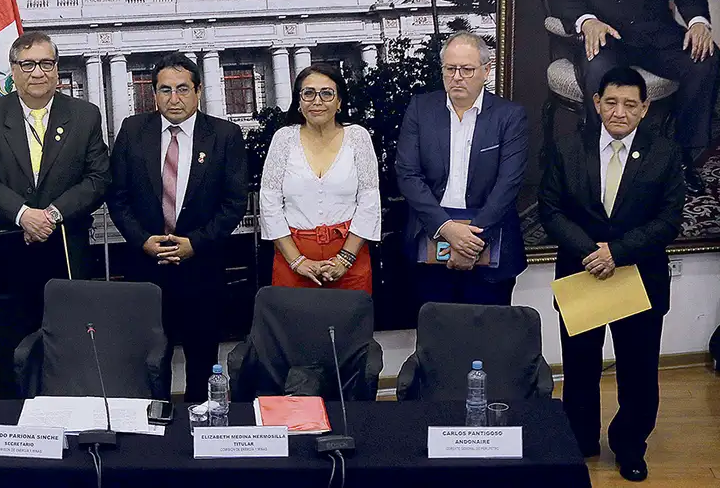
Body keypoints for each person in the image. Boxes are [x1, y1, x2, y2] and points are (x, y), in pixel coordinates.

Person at [539, 66, 684, 482]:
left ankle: (630, 447)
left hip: (638, 277)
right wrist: (592, 253)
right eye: (612, 102)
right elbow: (551, 210)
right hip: (582, 274)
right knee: (580, 367)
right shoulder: (568, 147)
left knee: (637, 370)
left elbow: (669, 220)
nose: (619, 112)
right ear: (597, 103)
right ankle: (581, 440)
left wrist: (616, 253)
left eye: (630, 104)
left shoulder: (664, 153)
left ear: (644, 109)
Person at [0, 31, 110, 398]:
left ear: (57, 70)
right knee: (12, 351)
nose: (37, 72)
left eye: (46, 64)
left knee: (70, 345)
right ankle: (14, 430)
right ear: (13, 71)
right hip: (8, 253)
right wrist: (23, 214)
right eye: (27, 64)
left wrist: (53, 214)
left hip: (66, 250)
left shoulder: (84, 115)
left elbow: (99, 177)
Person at [547, 0, 717, 193]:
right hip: (604, 35)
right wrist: (587, 21)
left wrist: (699, 21)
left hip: (657, 36)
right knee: (602, 74)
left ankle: (682, 159)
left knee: (706, 59)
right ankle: (604, 164)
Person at [107, 53, 248, 402]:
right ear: (153, 94)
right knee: (151, 361)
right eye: (165, 90)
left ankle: (200, 432)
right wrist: (143, 241)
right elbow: (117, 196)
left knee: (202, 362)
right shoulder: (132, 131)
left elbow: (233, 204)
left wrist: (193, 244)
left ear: (198, 90)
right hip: (146, 269)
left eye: (183, 89)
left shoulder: (225, 135)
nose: (174, 98)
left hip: (201, 269)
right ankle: (156, 436)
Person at [395, 32, 528, 305]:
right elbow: (408, 174)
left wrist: (469, 243)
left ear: (486, 70)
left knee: (489, 342)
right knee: (438, 341)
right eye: (450, 69)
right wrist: (447, 229)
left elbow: (508, 184)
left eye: (467, 69)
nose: (457, 76)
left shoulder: (509, 116)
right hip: (430, 244)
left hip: (492, 245)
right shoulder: (421, 109)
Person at [260, 63, 380, 292]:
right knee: (295, 326)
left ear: (339, 102)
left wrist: (344, 259)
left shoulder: (358, 137)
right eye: (308, 93)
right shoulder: (283, 139)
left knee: (349, 325)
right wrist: (298, 262)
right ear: (298, 101)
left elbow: (369, 202)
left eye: (327, 93)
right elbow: (269, 204)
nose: (317, 101)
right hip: (292, 258)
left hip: (350, 258)